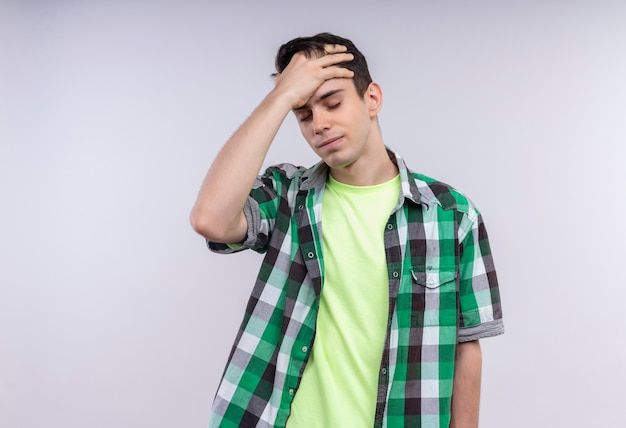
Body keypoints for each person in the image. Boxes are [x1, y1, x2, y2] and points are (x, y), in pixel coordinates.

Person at [190, 32, 504, 428]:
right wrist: (279, 98)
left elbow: (466, 348)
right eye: (303, 114)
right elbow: (210, 219)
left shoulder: (452, 215)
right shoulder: (287, 195)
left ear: (371, 98)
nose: (319, 124)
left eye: (333, 102)